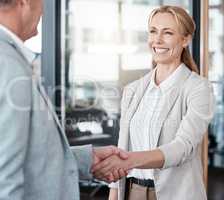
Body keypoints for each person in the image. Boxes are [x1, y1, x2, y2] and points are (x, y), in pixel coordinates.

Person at [0, 0, 127, 199]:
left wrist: (87, 159)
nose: (43, 9)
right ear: (24, 2)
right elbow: (4, 176)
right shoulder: (8, 64)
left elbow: (30, 158)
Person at [91, 5, 215, 200]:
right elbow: (122, 146)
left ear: (185, 39)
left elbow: (182, 148)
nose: (157, 40)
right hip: (132, 192)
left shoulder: (199, 89)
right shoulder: (132, 90)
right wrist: (113, 195)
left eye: (167, 33)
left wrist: (129, 161)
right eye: (153, 31)